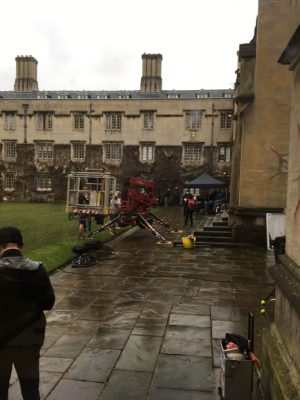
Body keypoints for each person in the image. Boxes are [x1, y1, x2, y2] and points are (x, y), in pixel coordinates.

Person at [0, 226, 55, 400]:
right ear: (21, 246)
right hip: (30, 340)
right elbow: (48, 302)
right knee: (31, 390)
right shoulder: (38, 269)